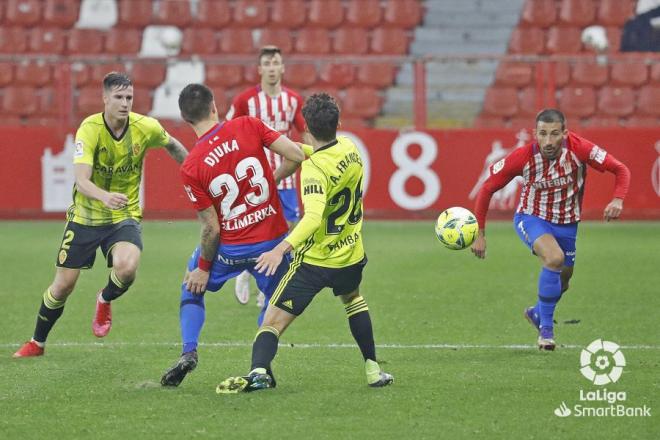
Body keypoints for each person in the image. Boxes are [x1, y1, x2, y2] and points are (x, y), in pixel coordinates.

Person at [216, 93, 393, 393]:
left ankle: (259, 371)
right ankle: (373, 370)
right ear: (338, 123)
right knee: (353, 300)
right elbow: (314, 152)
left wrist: (279, 248)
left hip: (314, 262)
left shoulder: (314, 169)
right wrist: (284, 162)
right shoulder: (350, 148)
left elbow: (312, 217)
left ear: (307, 127)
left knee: (271, 323)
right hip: (350, 254)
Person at [13, 72, 189, 358]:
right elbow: (81, 179)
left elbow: (172, 146)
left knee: (127, 267)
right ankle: (37, 342)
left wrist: (195, 170)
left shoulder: (146, 127)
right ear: (105, 99)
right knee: (63, 286)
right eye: (118, 97)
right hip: (86, 217)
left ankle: (105, 298)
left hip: (124, 216)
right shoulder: (89, 128)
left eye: (129, 97)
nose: (124, 103)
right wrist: (105, 197)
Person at [160, 83, 304, 387]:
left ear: (186, 119)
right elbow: (295, 154)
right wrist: (272, 179)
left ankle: (189, 351)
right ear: (214, 106)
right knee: (273, 304)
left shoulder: (192, 165)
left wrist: (202, 269)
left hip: (230, 249)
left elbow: (211, 227)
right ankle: (261, 365)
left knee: (191, 288)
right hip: (272, 243)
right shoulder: (247, 125)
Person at [471, 109, 631, 350]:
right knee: (554, 258)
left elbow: (621, 169)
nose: (548, 141)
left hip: (567, 224)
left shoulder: (580, 149)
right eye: (543, 134)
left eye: (554, 134)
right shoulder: (522, 157)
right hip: (532, 217)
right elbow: (486, 189)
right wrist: (479, 234)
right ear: (535, 134)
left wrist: (617, 199)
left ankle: (536, 313)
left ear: (565, 133)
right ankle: (546, 332)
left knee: (563, 282)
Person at [226, 45, 306, 311]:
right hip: (255, 179)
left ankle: (265, 281)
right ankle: (246, 273)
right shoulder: (245, 100)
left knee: (288, 229)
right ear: (260, 69)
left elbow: (305, 132)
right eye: (267, 64)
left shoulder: (293, 99)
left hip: (285, 178)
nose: (272, 68)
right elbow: (228, 132)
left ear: (282, 68)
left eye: (276, 63)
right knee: (256, 229)